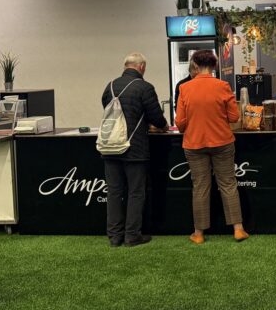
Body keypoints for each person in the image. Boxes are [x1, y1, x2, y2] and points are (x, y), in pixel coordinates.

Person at [175, 48, 248, 244]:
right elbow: (234, 117)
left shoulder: (184, 88)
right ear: (214, 66)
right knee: (228, 184)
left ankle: (198, 233)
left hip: (194, 143)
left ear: (195, 65)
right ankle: (238, 229)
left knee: (200, 186)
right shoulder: (223, 86)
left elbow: (179, 123)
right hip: (222, 141)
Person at [100, 52, 169, 248]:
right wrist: (163, 126)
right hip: (134, 148)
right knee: (135, 193)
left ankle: (114, 237)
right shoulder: (144, 87)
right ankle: (132, 236)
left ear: (125, 66)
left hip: (110, 146)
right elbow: (156, 117)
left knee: (114, 192)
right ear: (141, 67)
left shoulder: (110, 86)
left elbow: (107, 109)